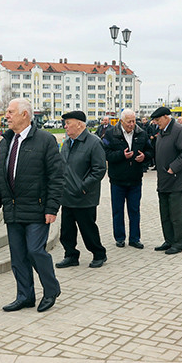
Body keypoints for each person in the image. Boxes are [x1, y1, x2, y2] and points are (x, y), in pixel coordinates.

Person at [0, 98, 63, 313]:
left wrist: (52, 208)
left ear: (25, 115)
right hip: (13, 209)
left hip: (37, 209)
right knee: (18, 256)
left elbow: (56, 177)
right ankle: (25, 296)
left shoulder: (45, 140)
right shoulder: (5, 142)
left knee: (35, 251)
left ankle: (51, 290)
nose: (7, 116)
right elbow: (0, 177)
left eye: (11, 112)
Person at [55, 110, 107, 269]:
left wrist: (83, 187)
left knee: (88, 229)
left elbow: (99, 169)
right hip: (67, 196)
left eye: (68, 123)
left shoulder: (93, 142)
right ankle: (70, 255)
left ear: (79, 124)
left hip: (84, 197)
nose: (65, 126)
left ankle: (99, 254)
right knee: (67, 231)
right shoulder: (68, 142)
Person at [103, 109, 153, 249]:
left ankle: (134, 238)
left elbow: (150, 150)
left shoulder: (141, 133)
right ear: (122, 121)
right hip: (117, 180)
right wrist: (121, 155)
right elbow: (106, 153)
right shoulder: (111, 134)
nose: (132, 124)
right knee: (118, 211)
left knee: (134, 210)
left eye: (134, 121)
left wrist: (145, 157)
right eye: (129, 122)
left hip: (135, 179)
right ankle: (119, 238)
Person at [151, 107, 182, 255]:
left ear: (165, 117)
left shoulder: (178, 130)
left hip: (176, 180)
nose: (156, 123)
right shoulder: (162, 132)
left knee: (176, 215)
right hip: (163, 181)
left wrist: (172, 168)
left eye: (158, 120)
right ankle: (168, 240)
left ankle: (177, 244)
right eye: (155, 121)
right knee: (165, 214)